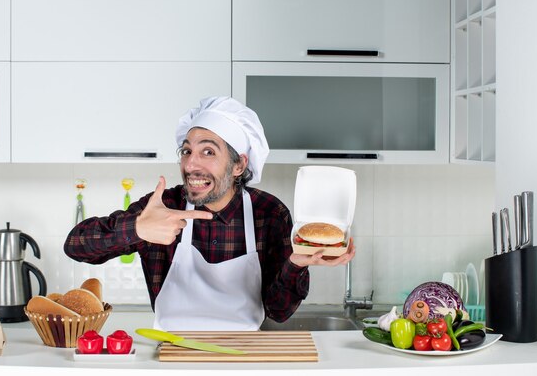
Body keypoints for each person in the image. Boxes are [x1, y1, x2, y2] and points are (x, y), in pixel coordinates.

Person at [64, 96, 356, 331]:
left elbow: (278, 312)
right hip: (171, 358)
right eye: (186, 151)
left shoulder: (269, 213)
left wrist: (295, 264)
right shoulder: (162, 206)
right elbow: (75, 245)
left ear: (239, 164)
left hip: (244, 359)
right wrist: (137, 228)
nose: (191, 165)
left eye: (208, 152)